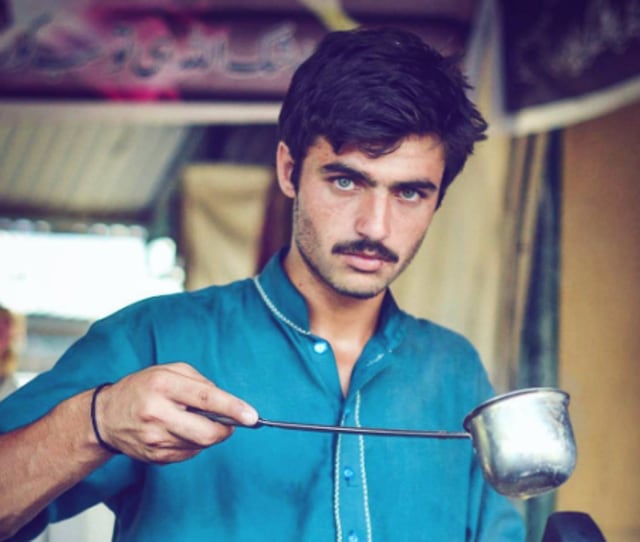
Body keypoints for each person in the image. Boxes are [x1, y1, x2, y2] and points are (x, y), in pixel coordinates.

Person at [0, 27, 525, 541]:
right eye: (346, 181)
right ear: (289, 170)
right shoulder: (152, 340)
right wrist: (95, 422)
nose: (375, 227)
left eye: (410, 193)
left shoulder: (456, 372)